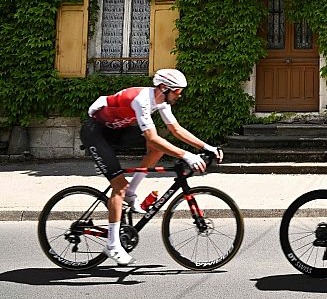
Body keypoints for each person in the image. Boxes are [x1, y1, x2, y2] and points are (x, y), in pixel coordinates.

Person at [80, 68, 222, 265]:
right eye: (177, 91)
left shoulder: (161, 101)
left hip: (116, 131)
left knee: (156, 149)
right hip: (95, 132)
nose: (179, 95)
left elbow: (176, 129)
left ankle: (131, 193)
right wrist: (187, 155)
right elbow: (152, 136)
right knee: (119, 186)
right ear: (164, 88)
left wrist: (207, 147)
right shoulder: (141, 100)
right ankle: (112, 245)